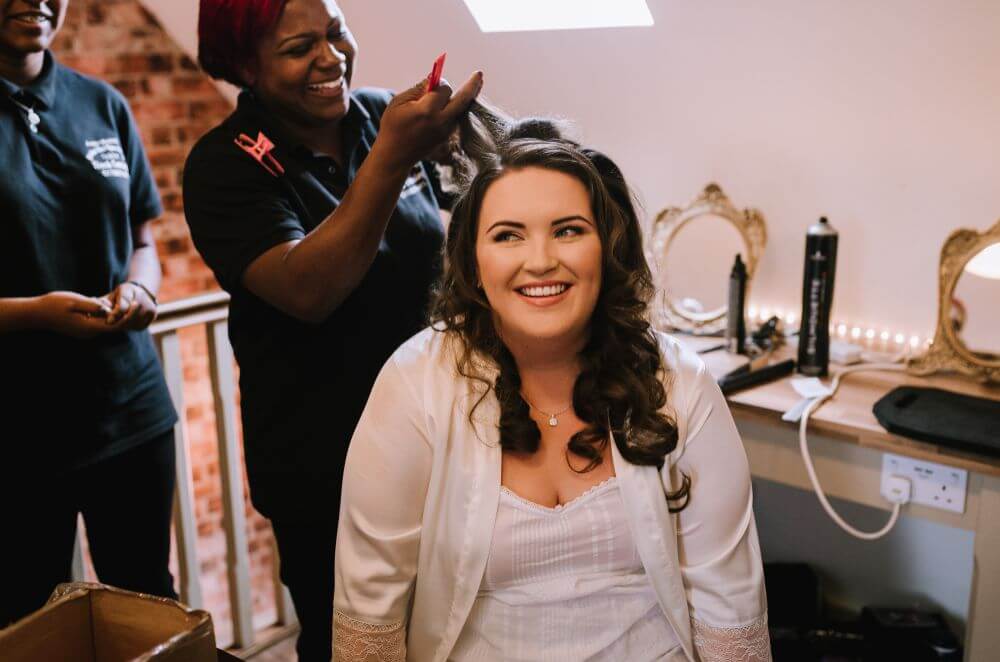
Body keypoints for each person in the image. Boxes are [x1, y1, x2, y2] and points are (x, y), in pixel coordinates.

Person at [333, 107, 772, 661]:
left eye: (568, 231)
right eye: (508, 236)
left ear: (607, 249)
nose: (540, 261)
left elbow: (729, 608)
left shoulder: (681, 382)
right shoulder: (414, 384)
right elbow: (369, 615)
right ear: (472, 260)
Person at [183, 1, 482, 658]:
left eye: (337, 33)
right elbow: (309, 289)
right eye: (298, 48)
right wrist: (393, 158)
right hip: (324, 468)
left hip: (434, 442)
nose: (330, 59)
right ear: (245, 65)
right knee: (351, 641)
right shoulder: (223, 166)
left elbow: (453, 246)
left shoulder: (380, 115)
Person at [0, 0, 178, 626]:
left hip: (129, 409)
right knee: (28, 616)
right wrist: (35, 313)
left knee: (148, 598)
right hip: (17, 430)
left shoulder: (101, 103)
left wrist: (142, 291)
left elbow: (143, 240)